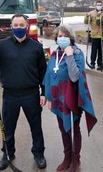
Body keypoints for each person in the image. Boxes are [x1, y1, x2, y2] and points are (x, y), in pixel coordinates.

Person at [0, 14, 47, 170]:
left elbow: (43, 72)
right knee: (8, 128)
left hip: (31, 94)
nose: (18, 28)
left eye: (22, 25)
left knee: (36, 126)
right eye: (15, 25)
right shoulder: (1, 45)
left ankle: (39, 153)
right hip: (10, 95)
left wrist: (44, 92)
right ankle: (7, 154)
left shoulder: (36, 47)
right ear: (11, 26)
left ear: (27, 26)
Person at [42, 25, 97, 172]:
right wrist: (48, 97)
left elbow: (75, 77)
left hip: (73, 98)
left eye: (64, 36)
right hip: (58, 98)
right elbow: (49, 76)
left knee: (74, 128)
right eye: (59, 36)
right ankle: (67, 157)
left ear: (70, 38)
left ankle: (76, 159)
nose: (61, 38)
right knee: (63, 129)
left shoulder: (77, 53)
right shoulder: (54, 54)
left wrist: (70, 56)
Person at [84, 0, 103, 70]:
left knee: (100, 51)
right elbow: (86, 22)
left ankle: (100, 64)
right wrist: (87, 16)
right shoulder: (91, 13)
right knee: (94, 50)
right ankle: (92, 63)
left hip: (102, 35)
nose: (99, 6)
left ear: (102, 5)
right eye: (98, 5)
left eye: (100, 5)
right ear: (95, 5)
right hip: (94, 34)